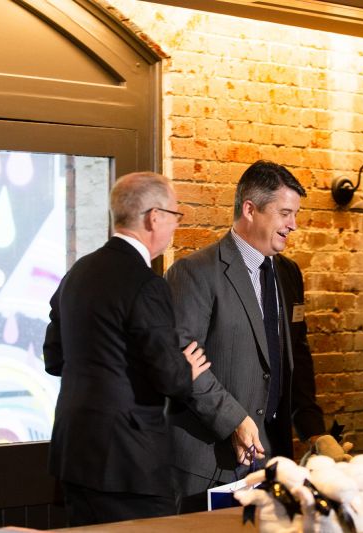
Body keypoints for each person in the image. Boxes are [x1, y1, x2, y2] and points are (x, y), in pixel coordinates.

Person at [43, 171, 210, 526]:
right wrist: (187, 369)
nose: (176, 225)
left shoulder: (77, 273)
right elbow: (170, 378)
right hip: (128, 460)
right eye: (175, 215)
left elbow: (54, 359)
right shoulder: (146, 284)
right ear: (154, 217)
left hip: (74, 453)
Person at [165, 160, 326, 512]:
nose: (293, 225)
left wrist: (314, 430)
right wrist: (234, 421)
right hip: (212, 463)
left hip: (273, 461)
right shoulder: (194, 273)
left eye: (295, 214)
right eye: (285, 213)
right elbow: (183, 366)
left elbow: (296, 356)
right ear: (250, 210)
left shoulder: (289, 273)